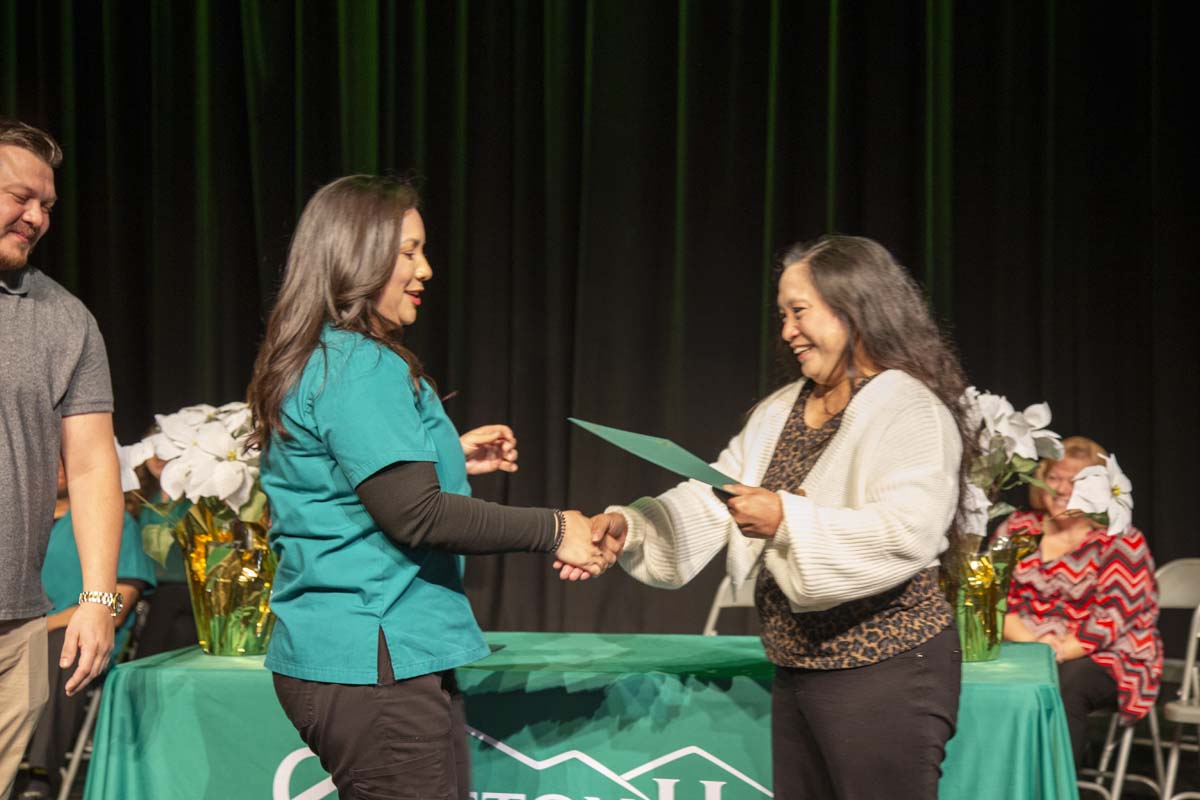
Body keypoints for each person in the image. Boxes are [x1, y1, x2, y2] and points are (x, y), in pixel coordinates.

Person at [246, 174, 615, 799]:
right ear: (356, 256)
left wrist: (447, 454)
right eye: (408, 252)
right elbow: (415, 514)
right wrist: (557, 528)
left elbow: (343, 478)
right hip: (374, 659)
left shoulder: (325, 355)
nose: (426, 270)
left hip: (359, 659)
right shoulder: (360, 363)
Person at [576, 235, 975, 799]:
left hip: (886, 666)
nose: (787, 331)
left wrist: (787, 519)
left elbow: (908, 532)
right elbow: (716, 494)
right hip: (799, 663)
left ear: (853, 308)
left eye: (799, 311)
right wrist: (634, 527)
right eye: (782, 315)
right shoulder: (781, 409)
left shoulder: (910, 409)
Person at [0, 118, 123, 800]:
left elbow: (93, 465)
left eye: (46, 204)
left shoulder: (65, 319)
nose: (37, 217)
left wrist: (97, 599)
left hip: (14, 626)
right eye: (20, 196)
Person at [997, 435, 1162, 766]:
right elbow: (996, 599)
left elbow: (1112, 618)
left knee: (1065, 683)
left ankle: (1055, 783)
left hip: (1103, 653)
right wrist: (1036, 647)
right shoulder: (1019, 528)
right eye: (1053, 477)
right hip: (1025, 644)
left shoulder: (1119, 538)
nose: (1060, 489)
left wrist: (1055, 653)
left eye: (1074, 481)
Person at [18, 463, 157, 800]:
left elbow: (119, 604)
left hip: (76, 639)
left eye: (66, 456)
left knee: (63, 647)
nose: (58, 465)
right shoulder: (20, 525)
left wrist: (46, 625)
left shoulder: (114, 524)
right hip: (18, 639)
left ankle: (40, 775)